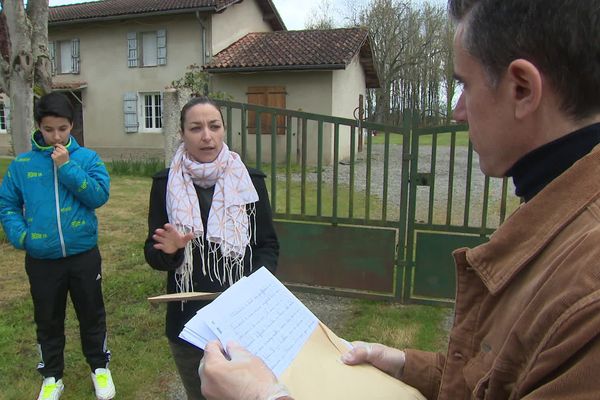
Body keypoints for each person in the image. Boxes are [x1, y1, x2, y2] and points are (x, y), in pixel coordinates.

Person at [197, 0, 600, 399]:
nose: (458, 111)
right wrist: (408, 365)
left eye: (464, 84)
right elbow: (500, 378)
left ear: (522, 88)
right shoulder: (560, 216)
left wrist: (263, 398)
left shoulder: (588, 292)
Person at [144, 96, 279, 400]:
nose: (206, 136)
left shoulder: (250, 181)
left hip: (242, 315)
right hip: (189, 319)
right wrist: (172, 251)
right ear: (182, 133)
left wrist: (251, 290)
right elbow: (153, 254)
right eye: (196, 128)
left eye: (214, 126)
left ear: (223, 130)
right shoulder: (165, 184)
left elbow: (267, 245)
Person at [0, 92, 115, 400]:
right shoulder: (23, 166)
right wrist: (22, 237)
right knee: (48, 318)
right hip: (42, 259)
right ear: (39, 126)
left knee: (91, 313)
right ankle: (52, 376)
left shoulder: (87, 159)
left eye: (62, 129)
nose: (56, 136)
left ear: (72, 126)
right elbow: (8, 204)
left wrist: (67, 167)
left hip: (83, 256)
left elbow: (98, 195)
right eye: (49, 129)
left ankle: (99, 367)